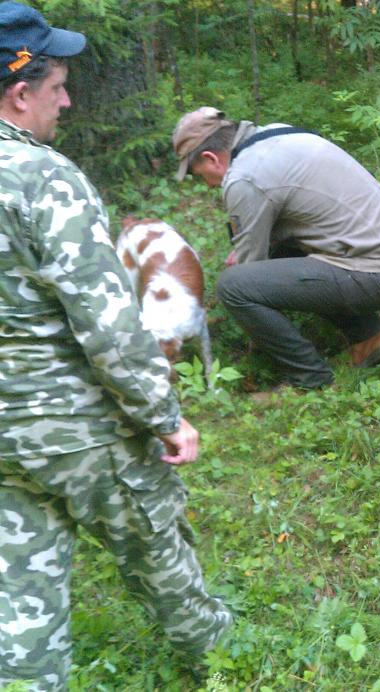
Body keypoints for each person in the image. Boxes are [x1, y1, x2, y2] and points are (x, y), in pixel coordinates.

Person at [0, 3, 232, 689]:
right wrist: (164, 416)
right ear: (20, 94)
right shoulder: (43, 179)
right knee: (158, 549)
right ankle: (224, 662)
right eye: (58, 87)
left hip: (5, 436)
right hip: (78, 427)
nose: (67, 101)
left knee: (21, 588)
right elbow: (108, 324)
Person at [173, 105, 380, 391]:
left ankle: (309, 378)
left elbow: (251, 267)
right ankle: (370, 338)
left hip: (379, 274)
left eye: (197, 173)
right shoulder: (277, 134)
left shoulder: (244, 178)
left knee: (234, 286)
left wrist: (257, 340)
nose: (205, 184)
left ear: (211, 158)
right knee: (281, 252)